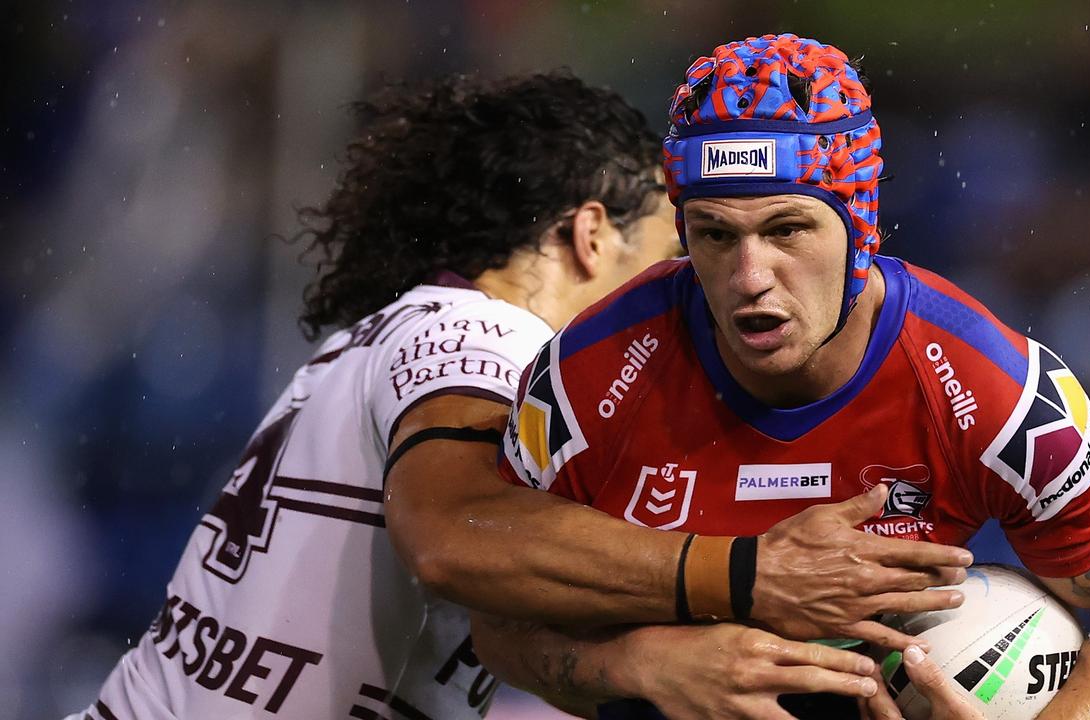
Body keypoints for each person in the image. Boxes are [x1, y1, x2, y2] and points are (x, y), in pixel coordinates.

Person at [73, 69, 970, 720]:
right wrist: (747, 577)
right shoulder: (490, 340)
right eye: (680, 241)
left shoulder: (389, 332)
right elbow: (456, 536)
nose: (700, 283)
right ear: (589, 237)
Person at [483, 34, 1090, 719]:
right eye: (714, 234)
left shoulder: (988, 389)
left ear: (862, 228)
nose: (749, 278)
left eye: (788, 230)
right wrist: (638, 666)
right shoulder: (586, 379)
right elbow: (497, 625)